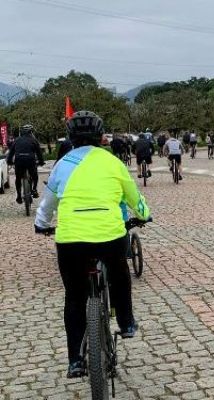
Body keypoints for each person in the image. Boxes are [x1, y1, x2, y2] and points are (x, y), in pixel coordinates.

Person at [34, 110, 150, 378]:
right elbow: (135, 198)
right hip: (110, 236)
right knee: (121, 276)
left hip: (71, 240)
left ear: (70, 138)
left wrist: (40, 225)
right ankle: (126, 322)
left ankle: (75, 360)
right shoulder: (113, 163)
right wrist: (144, 215)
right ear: (102, 137)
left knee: (74, 297)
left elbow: (47, 205)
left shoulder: (61, 164)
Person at [6, 124, 45, 204]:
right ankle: (34, 189)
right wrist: (41, 161)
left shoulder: (16, 140)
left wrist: (9, 161)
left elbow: (11, 152)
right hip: (30, 161)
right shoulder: (34, 140)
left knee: (18, 178)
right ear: (31, 132)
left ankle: (19, 196)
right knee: (34, 176)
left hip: (19, 161)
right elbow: (39, 153)